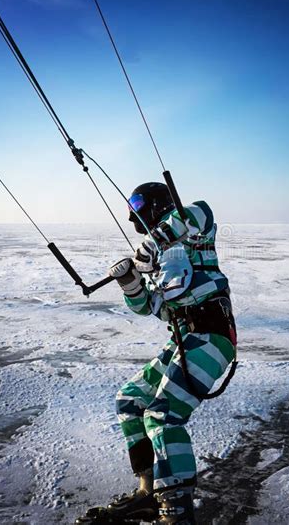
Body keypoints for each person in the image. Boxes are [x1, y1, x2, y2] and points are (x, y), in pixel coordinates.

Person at [76, 182, 237, 525]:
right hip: (181, 338)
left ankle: (177, 511)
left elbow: (200, 211)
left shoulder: (196, 234)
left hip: (211, 335)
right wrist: (130, 282)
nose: (132, 210)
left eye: (137, 202)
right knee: (130, 400)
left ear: (157, 203)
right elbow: (150, 306)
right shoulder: (159, 263)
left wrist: (152, 244)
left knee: (162, 414)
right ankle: (148, 492)